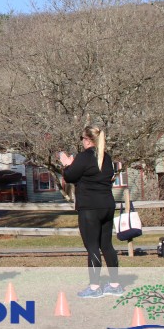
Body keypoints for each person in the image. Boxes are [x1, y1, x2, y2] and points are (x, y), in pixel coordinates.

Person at [59, 126, 124, 298]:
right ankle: (115, 284)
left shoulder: (85, 157)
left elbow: (70, 177)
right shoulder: (106, 158)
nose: (82, 141)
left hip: (90, 207)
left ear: (87, 140)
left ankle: (95, 287)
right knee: (107, 245)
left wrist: (67, 165)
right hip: (107, 205)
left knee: (92, 246)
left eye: (82, 138)